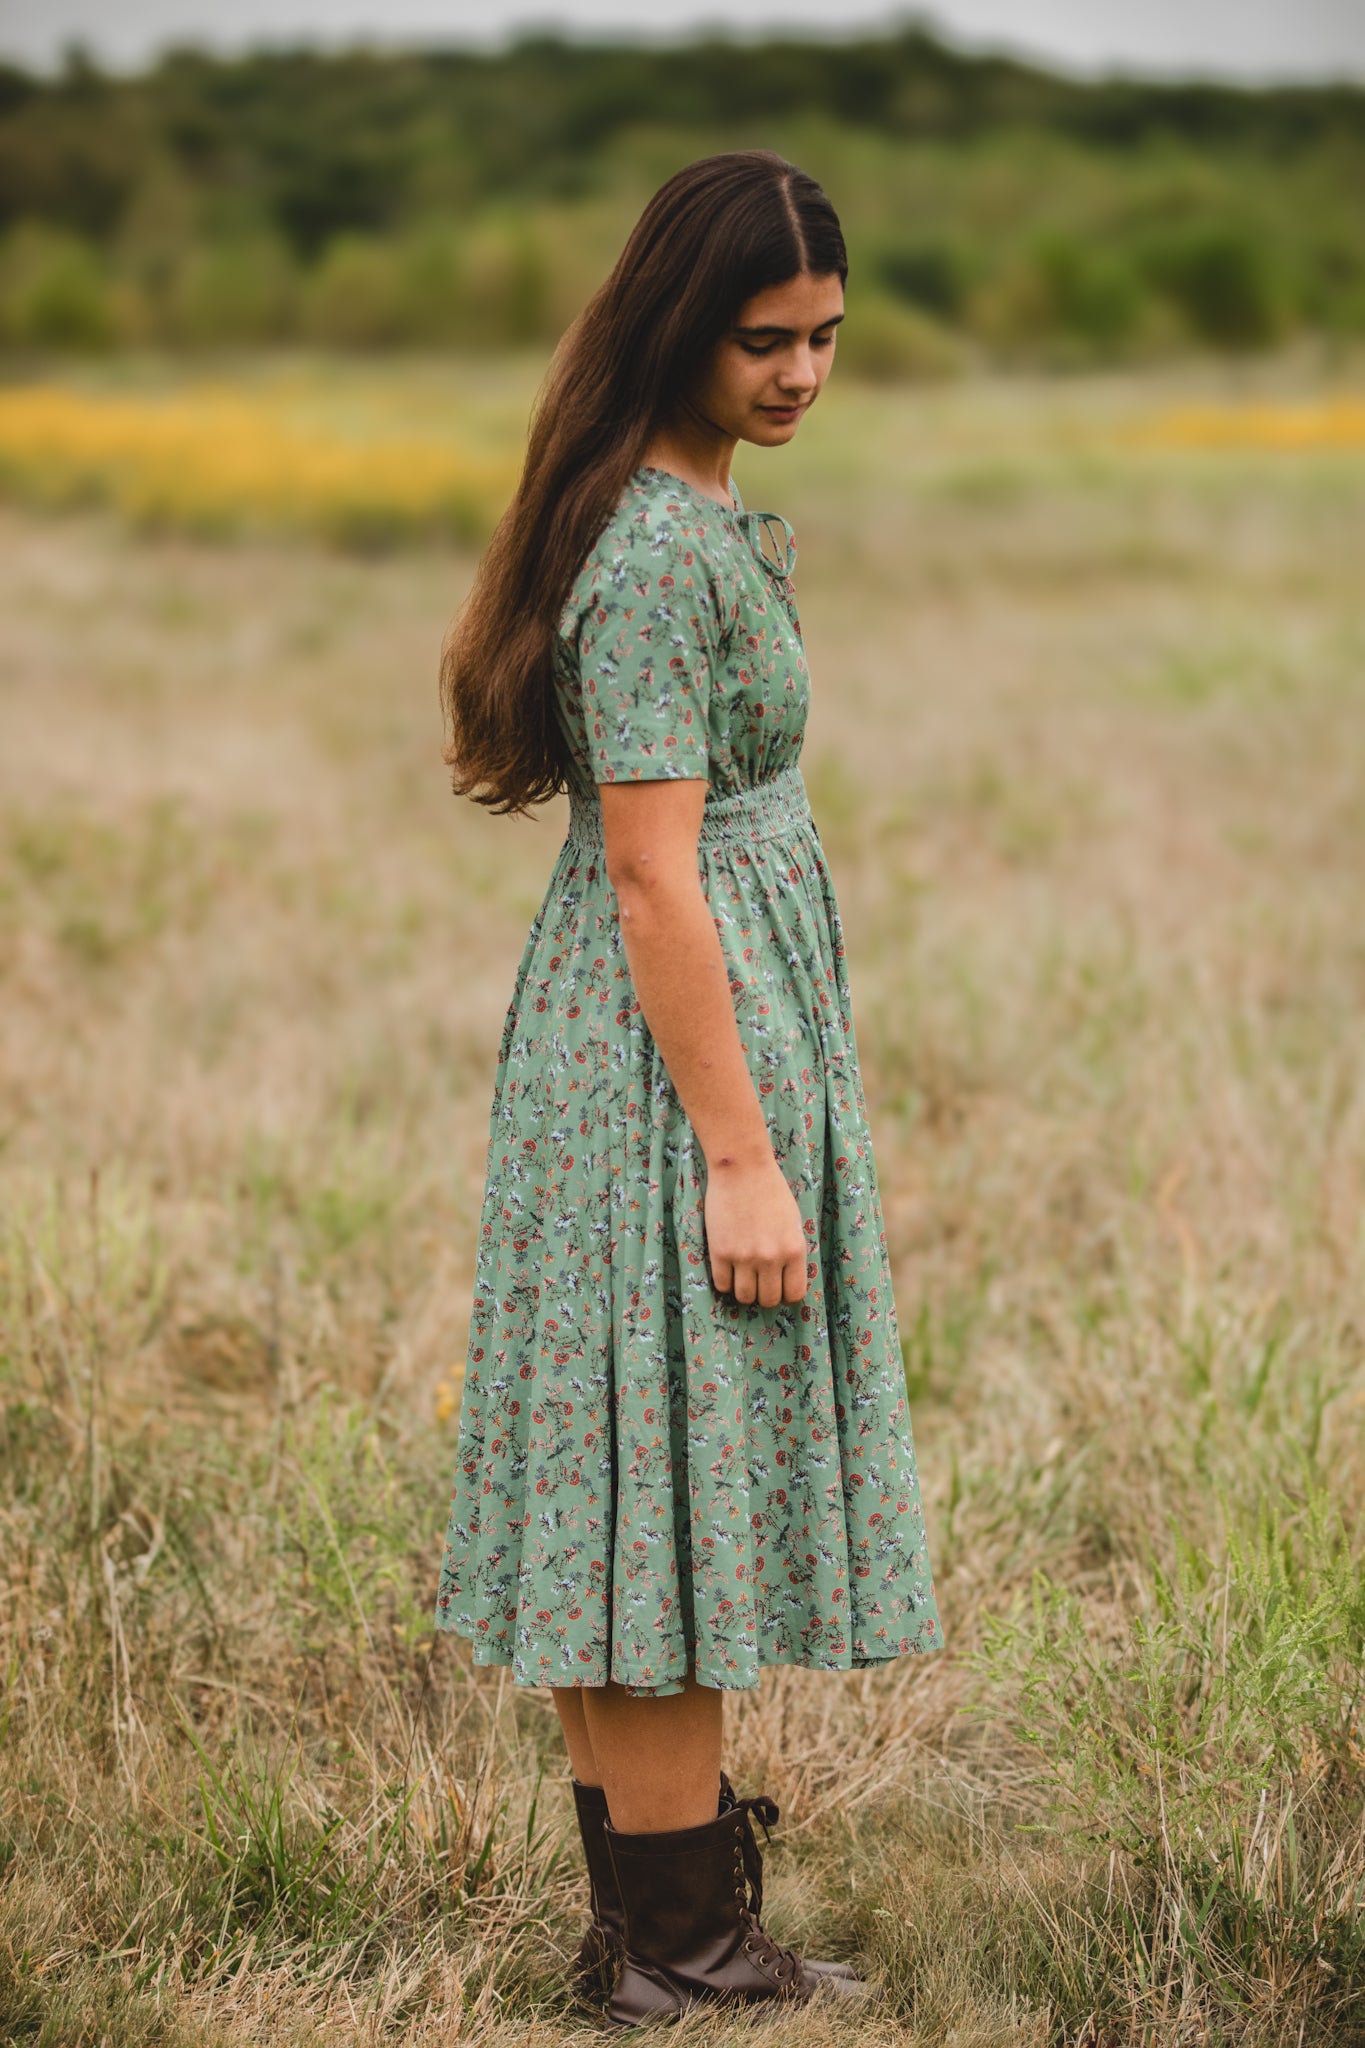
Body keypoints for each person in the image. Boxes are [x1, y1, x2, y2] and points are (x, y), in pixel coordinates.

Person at [433, 148, 941, 2026]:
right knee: (668, 1498)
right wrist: (742, 1158)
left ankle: (648, 1930)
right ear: (679, 325)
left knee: (634, 1491)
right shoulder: (651, 551)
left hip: (673, 1037)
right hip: (666, 1065)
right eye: (762, 339)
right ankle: (677, 1939)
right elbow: (653, 874)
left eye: (823, 334)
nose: (801, 370)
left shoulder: (680, 508)